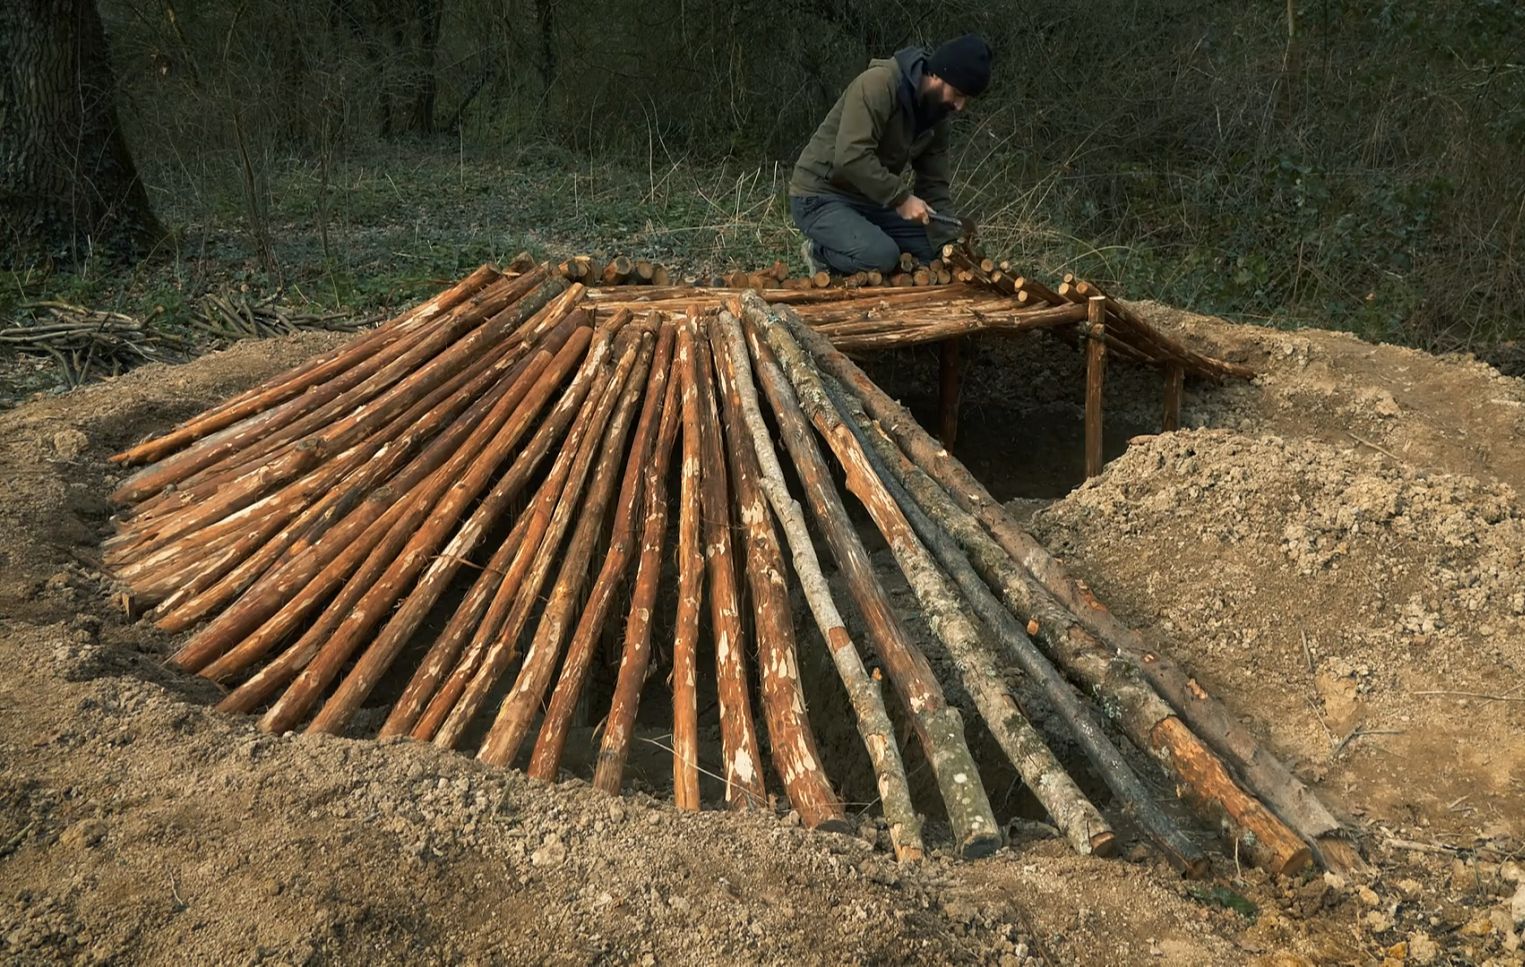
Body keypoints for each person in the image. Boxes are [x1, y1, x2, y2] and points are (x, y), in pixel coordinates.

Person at [789, 34, 992, 276]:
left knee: (929, 249)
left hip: (870, 199)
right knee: (881, 256)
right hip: (819, 195)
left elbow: (934, 184)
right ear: (937, 74)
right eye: (957, 93)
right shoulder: (878, 84)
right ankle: (819, 252)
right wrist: (901, 198)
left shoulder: (937, 116)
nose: (960, 106)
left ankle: (864, 243)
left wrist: (946, 242)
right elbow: (851, 157)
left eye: (965, 98)